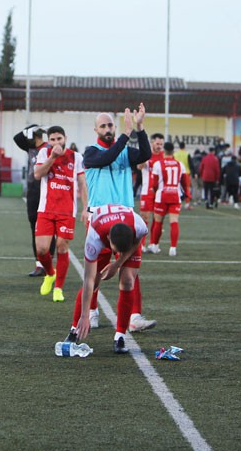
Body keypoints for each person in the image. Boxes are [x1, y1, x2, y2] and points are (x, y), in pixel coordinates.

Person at [81, 104, 155, 334]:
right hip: (100, 218)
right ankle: (92, 310)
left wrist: (140, 128)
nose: (107, 128)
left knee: (131, 270)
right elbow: (107, 157)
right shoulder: (91, 152)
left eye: (110, 124)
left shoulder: (124, 149)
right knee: (97, 269)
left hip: (125, 216)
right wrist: (126, 133)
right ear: (95, 129)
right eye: (103, 125)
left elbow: (145, 155)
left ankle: (134, 316)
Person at [66, 204, 148, 354]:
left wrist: (117, 264)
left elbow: (138, 239)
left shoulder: (138, 225)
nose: (115, 252)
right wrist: (85, 315)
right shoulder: (94, 237)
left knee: (128, 280)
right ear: (109, 239)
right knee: (95, 280)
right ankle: (74, 330)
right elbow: (88, 280)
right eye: (114, 249)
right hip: (101, 225)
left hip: (125, 232)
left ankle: (120, 336)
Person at [33, 126, 89, 302]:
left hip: (66, 211)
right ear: (48, 140)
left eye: (59, 139)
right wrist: (52, 157)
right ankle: (50, 273)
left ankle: (58, 287)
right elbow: (37, 174)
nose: (56, 142)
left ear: (65, 138)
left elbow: (82, 184)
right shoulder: (44, 153)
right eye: (53, 139)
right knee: (41, 249)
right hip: (46, 209)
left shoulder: (76, 157)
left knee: (62, 247)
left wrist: (86, 208)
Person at [13, 124, 53, 277]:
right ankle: (38, 264)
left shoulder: (49, 147)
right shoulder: (29, 148)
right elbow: (17, 138)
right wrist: (32, 127)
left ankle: (47, 263)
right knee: (34, 227)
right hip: (33, 191)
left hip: (46, 190)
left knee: (48, 228)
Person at [148, 141, 191, 256]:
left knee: (158, 222)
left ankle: (155, 246)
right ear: (173, 152)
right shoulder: (179, 165)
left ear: (164, 152)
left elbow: (154, 183)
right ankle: (173, 248)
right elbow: (184, 182)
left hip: (161, 196)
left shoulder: (158, 164)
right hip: (175, 197)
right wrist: (186, 194)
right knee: (174, 222)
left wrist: (155, 190)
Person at [137, 133, 164, 250]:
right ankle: (141, 244)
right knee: (144, 218)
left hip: (159, 192)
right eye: (157, 144)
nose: (159, 146)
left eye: (161, 144)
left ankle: (153, 244)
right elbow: (139, 166)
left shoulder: (164, 156)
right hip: (147, 190)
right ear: (152, 143)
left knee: (157, 218)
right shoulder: (147, 154)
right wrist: (145, 156)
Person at [172, 141, 193, 209]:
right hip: (186, 173)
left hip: (176, 173)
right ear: (184, 146)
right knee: (186, 188)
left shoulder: (175, 154)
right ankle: (187, 203)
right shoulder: (187, 154)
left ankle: (176, 202)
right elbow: (190, 164)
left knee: (176, 187)